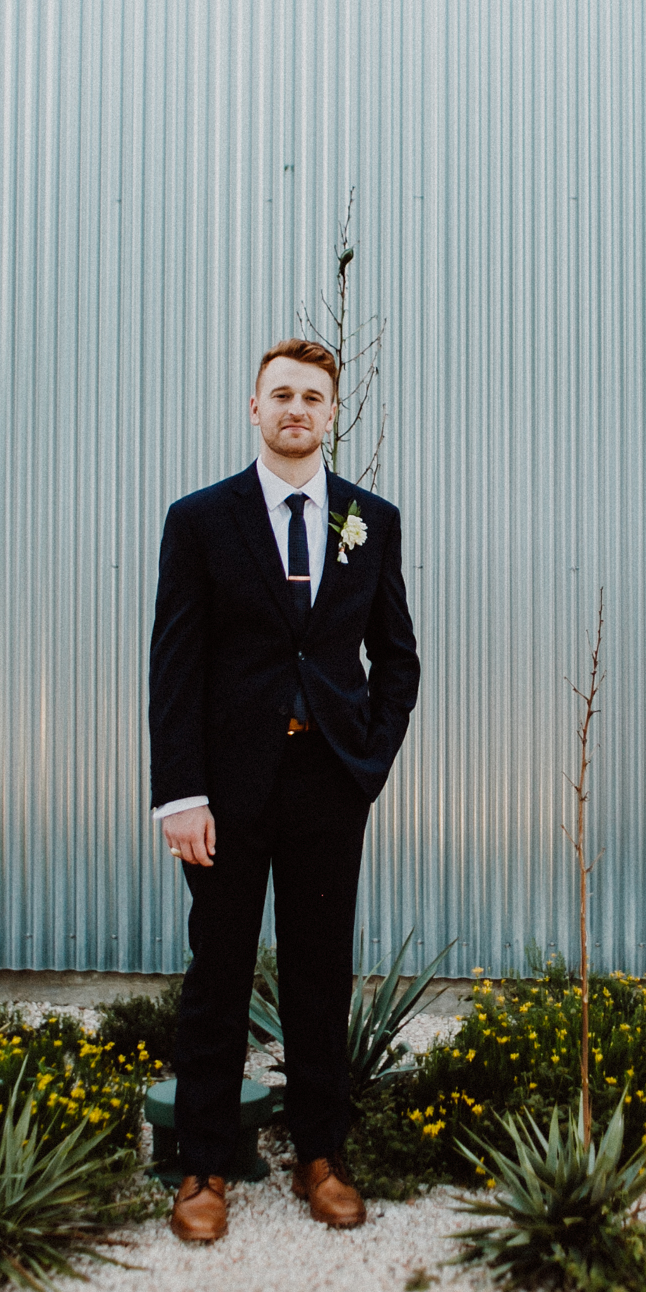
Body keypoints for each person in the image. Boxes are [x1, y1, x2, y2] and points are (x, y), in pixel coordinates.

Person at [148, 338, 421, 1243]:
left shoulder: (369, 519)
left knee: (319, 974)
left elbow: (398, 657)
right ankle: (203, 1165)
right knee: (217, 971)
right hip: (225, 791)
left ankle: (320, 1154)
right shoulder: (201, 520)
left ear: (332, 413)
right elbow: (176, 668)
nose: (296, 408)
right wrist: (180, 793)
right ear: (254, 408)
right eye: (281, 395)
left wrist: (367, 764)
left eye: (313, 396)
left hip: (327, 785)